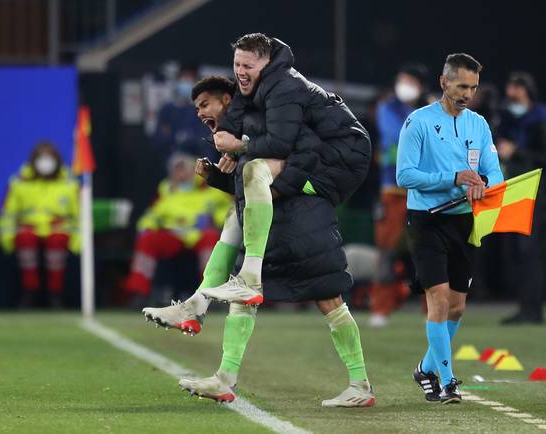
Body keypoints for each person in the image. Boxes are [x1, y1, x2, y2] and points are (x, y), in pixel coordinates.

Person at [143, 75, 374, 408]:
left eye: (204, 104)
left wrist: (242, 155)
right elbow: (254, 187)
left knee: (329, 301)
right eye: (196, 108)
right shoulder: (238, 132)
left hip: (301, 223)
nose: (199, 114)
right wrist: (220, 177)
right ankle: (221, 372)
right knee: (243, 291)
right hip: (268, 229)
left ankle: (360, 384)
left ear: (226, 100)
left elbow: (293, 162)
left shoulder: (263, 120)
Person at [199, 33, 371, 306]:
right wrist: (226, 142)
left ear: (266, 64)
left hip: (340, 162)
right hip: (313, 154)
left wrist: (240, 146)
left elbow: (279, 144)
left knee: (254, 175)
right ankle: (198, 304)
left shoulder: (285, 87)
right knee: (241, 205)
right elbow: (235, 121)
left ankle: (247, 279)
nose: (240, 72)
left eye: (247, 67)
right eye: (237, 65)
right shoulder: (252, 86)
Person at [396, 53, 503, 403]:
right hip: (426, 222)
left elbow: (495, 174)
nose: (467, 93)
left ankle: (425, 368)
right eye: (461, 86)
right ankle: (447, 381)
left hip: (463, 222)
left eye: (472, 87)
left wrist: (483, 183)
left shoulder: (478, 124)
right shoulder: (418, 122)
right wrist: (453, 178)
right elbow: (405, 176)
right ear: (444, 82)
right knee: (438, 300)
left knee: (457, 306)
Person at [496, 71, 546, 324]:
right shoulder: (510, 118)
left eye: (515, 91)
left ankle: (533, 310)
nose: (511, 97)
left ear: (526, 91)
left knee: (529, 250)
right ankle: (525, 307)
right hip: (516, 189)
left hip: (535, 191)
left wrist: (516, 151)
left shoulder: (541, 118)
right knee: (517, 250)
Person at [124, 153, 231, 307]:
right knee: (147, 240)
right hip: (172, 234)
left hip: (199, 234)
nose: (180, 174)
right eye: (177, 170)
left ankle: (211, 293)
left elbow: (227, 211)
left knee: (211, 239)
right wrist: (146, 227)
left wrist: (214, 220)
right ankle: (139, 292)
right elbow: (152, 215)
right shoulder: (166, 191)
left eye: (184, 169)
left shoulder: (210, 189)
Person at [369, 62, 430, 328]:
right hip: (393, 189)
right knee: (387, 249)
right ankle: (381, 308)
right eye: (401, 79)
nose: (403, 85)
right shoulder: (388, 108)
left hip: (425, 189)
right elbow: (396, 136)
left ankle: (433, 312)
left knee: (430, 250)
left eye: (409, 81)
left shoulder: (434, 110)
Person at [0, 142, 80, 308]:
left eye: (49, 157)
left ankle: (55, 294)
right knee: (25, 238)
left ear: (57, 160)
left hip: (58, 229)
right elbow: (7, 214)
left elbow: (79, 216)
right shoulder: (19, 183)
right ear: (34, 160)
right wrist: (7, 238)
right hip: (29, 228)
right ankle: (30, 291)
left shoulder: (70, 184)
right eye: (41, 157)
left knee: (57, 240)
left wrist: (77, 241)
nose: (45, 162)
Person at [153, 65, 216, 164]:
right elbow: (160, 139)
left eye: (190, 77)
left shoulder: (205, 109)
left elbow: (208, 138)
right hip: (173, 162)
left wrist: (189, 141)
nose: (186, 81)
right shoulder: (167, 109)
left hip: (199, 162)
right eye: (183, 77)